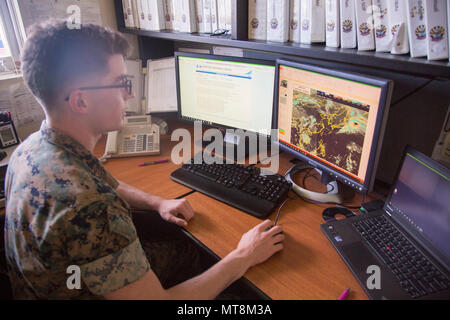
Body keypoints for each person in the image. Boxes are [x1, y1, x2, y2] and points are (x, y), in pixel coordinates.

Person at [4, 20, 284, 300]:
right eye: (120, 84)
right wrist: (244, 256)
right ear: (81, 102)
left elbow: (103, 182)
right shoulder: (92, 208)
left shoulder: (30, 151)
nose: (131, 94)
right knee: (203, 259)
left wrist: (157, 202)